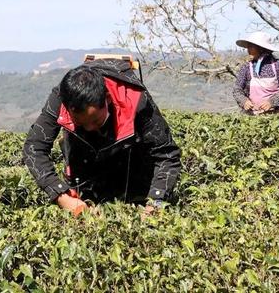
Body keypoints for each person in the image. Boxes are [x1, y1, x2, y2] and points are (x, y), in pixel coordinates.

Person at [23, 58, 181, 217]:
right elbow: (34, 148)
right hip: (83, 172)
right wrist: (61, 195)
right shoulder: (60, 99)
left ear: (108, 99)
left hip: (132, 172)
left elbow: (167, 155)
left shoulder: (135, 99)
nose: (89, 128)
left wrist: (155, 202)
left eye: (96, 121)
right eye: (79, 122)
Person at [233, 31, 279, 114]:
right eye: (248, 47)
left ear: (261, 48)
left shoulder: (278, 65)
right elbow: (237, 89)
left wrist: (271, 102)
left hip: (274, 115)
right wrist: (244, 101)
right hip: (251, 115)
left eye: (251, 47)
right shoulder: (246, 67)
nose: (248, 50)